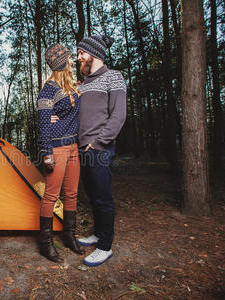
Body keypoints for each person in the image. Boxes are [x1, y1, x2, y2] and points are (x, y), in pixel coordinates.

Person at [76, 35, 127, 266]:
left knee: (103, 198)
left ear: (93, 54)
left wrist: (98, 143)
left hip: (99, 148)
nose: (79, 58)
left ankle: (105, 246)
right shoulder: (84, 83)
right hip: (82, 149)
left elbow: (118, 116)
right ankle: (98, 233)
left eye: (81, 53)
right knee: (92, 196)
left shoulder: (113, 77)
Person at [37, 43, 85, 262]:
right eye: (69, 58)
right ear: (63, 62)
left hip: (74, 146)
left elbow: (72, 112)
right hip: (56, 149)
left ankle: (69, 235)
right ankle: (46, 244)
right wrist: (47, 154)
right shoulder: (48, 89)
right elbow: (43, 125)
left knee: (72, 194)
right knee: (51, 195)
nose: (72, 61)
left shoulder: (73, 86)